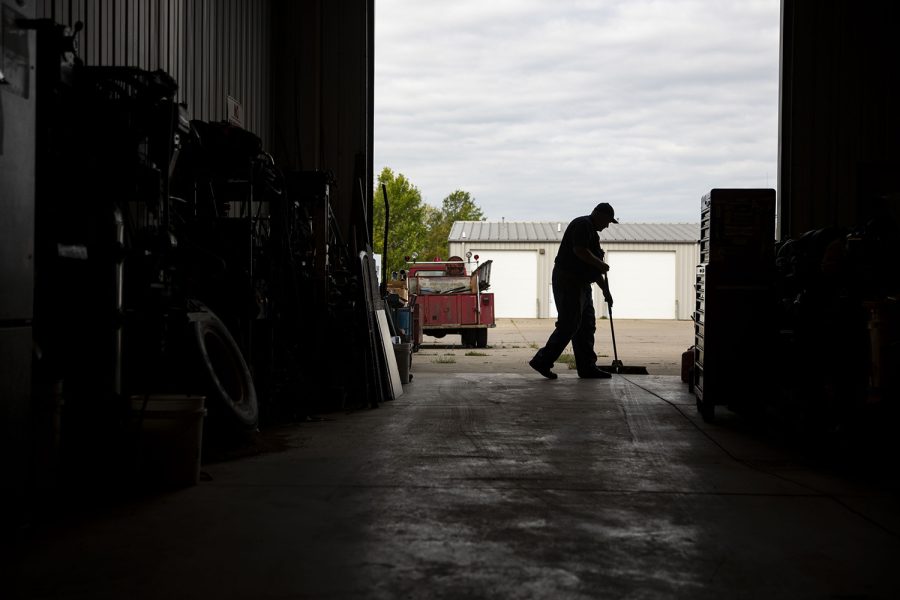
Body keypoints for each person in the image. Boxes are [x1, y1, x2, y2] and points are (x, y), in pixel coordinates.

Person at [529, 202, 618, 379]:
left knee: (586, 325)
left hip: (582, 284)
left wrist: (605, 291)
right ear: (598, 214)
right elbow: (580, 251)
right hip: (569, 281)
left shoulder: (593, 235)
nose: (607, 225)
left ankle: (587, 367)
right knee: (569, 324)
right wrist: (600, 264)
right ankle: (542, 361)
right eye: (607, 221)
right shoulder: (582, 224)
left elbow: (595, 269)